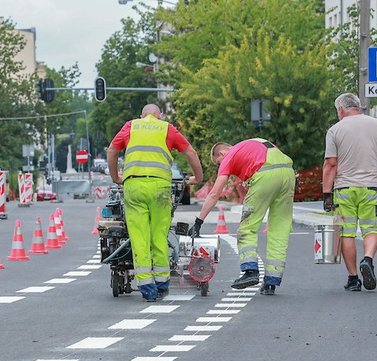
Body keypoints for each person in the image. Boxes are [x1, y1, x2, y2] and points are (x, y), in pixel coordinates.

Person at [107, 104, 204, 301]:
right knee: (159, 235)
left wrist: (116, 176)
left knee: (139, 238)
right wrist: (198, 178)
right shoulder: (166, 128)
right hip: (160, 188)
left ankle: (147, 288)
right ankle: (162, 284)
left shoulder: (130, 126)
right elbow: (191, 152)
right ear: (159, 115)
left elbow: (112, 150)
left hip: (134, 187)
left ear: (141, 115)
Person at [322, 93, 377, 292]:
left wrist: (327, 194)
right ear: (357, 106)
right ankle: (367, 260)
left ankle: (353, 279)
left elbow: (330, 164)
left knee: (346, 233)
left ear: (341, 109)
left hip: (344, 190)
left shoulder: (335, 130)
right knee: (372, 229)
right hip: (371, 187)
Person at [188, 138, 295, 295]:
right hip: (288, 174)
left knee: (247, 227)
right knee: (279, 229)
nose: (221, 166)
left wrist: (198, 222)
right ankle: (271, 281)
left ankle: (250, 271)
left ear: (222, 153)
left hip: (265, 175)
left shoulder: (229, 156)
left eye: (218, 163)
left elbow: (214, 194)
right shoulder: (253, 142)